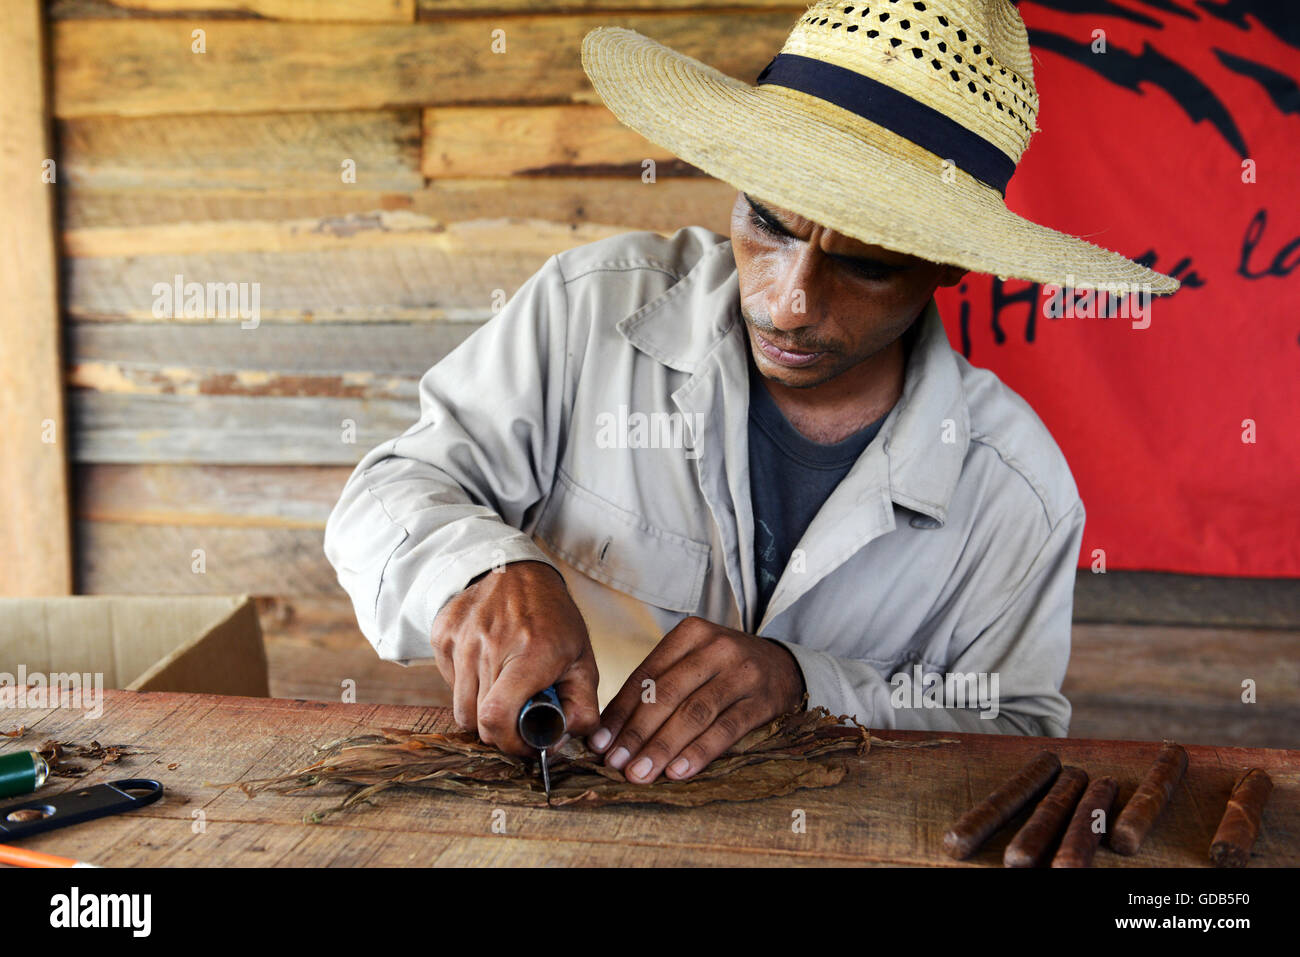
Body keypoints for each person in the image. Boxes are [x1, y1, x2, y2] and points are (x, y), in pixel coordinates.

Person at [324, 0, 1179, 785]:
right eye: (768, 223)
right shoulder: (588, 311)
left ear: (950, 267)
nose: (789, 302)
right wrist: (483, 565)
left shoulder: (1015, 492)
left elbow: (1016, 732)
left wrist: (809, 682)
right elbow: (386, 495)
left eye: (866, 263)